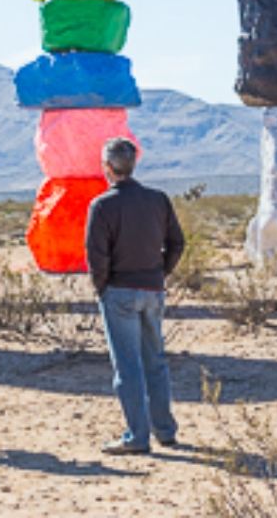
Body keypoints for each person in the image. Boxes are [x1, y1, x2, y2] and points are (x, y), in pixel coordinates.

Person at [84, 136, 185, 455]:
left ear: (107, 168)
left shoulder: (102, 206)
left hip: (119, 292)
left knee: (127, 366)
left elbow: (95, 254)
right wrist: (160, 273)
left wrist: (102, 287)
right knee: (155, 361)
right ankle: (165, 431)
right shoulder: (158, 200)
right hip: (152, 289)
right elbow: (177, 242)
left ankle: (137, 437)